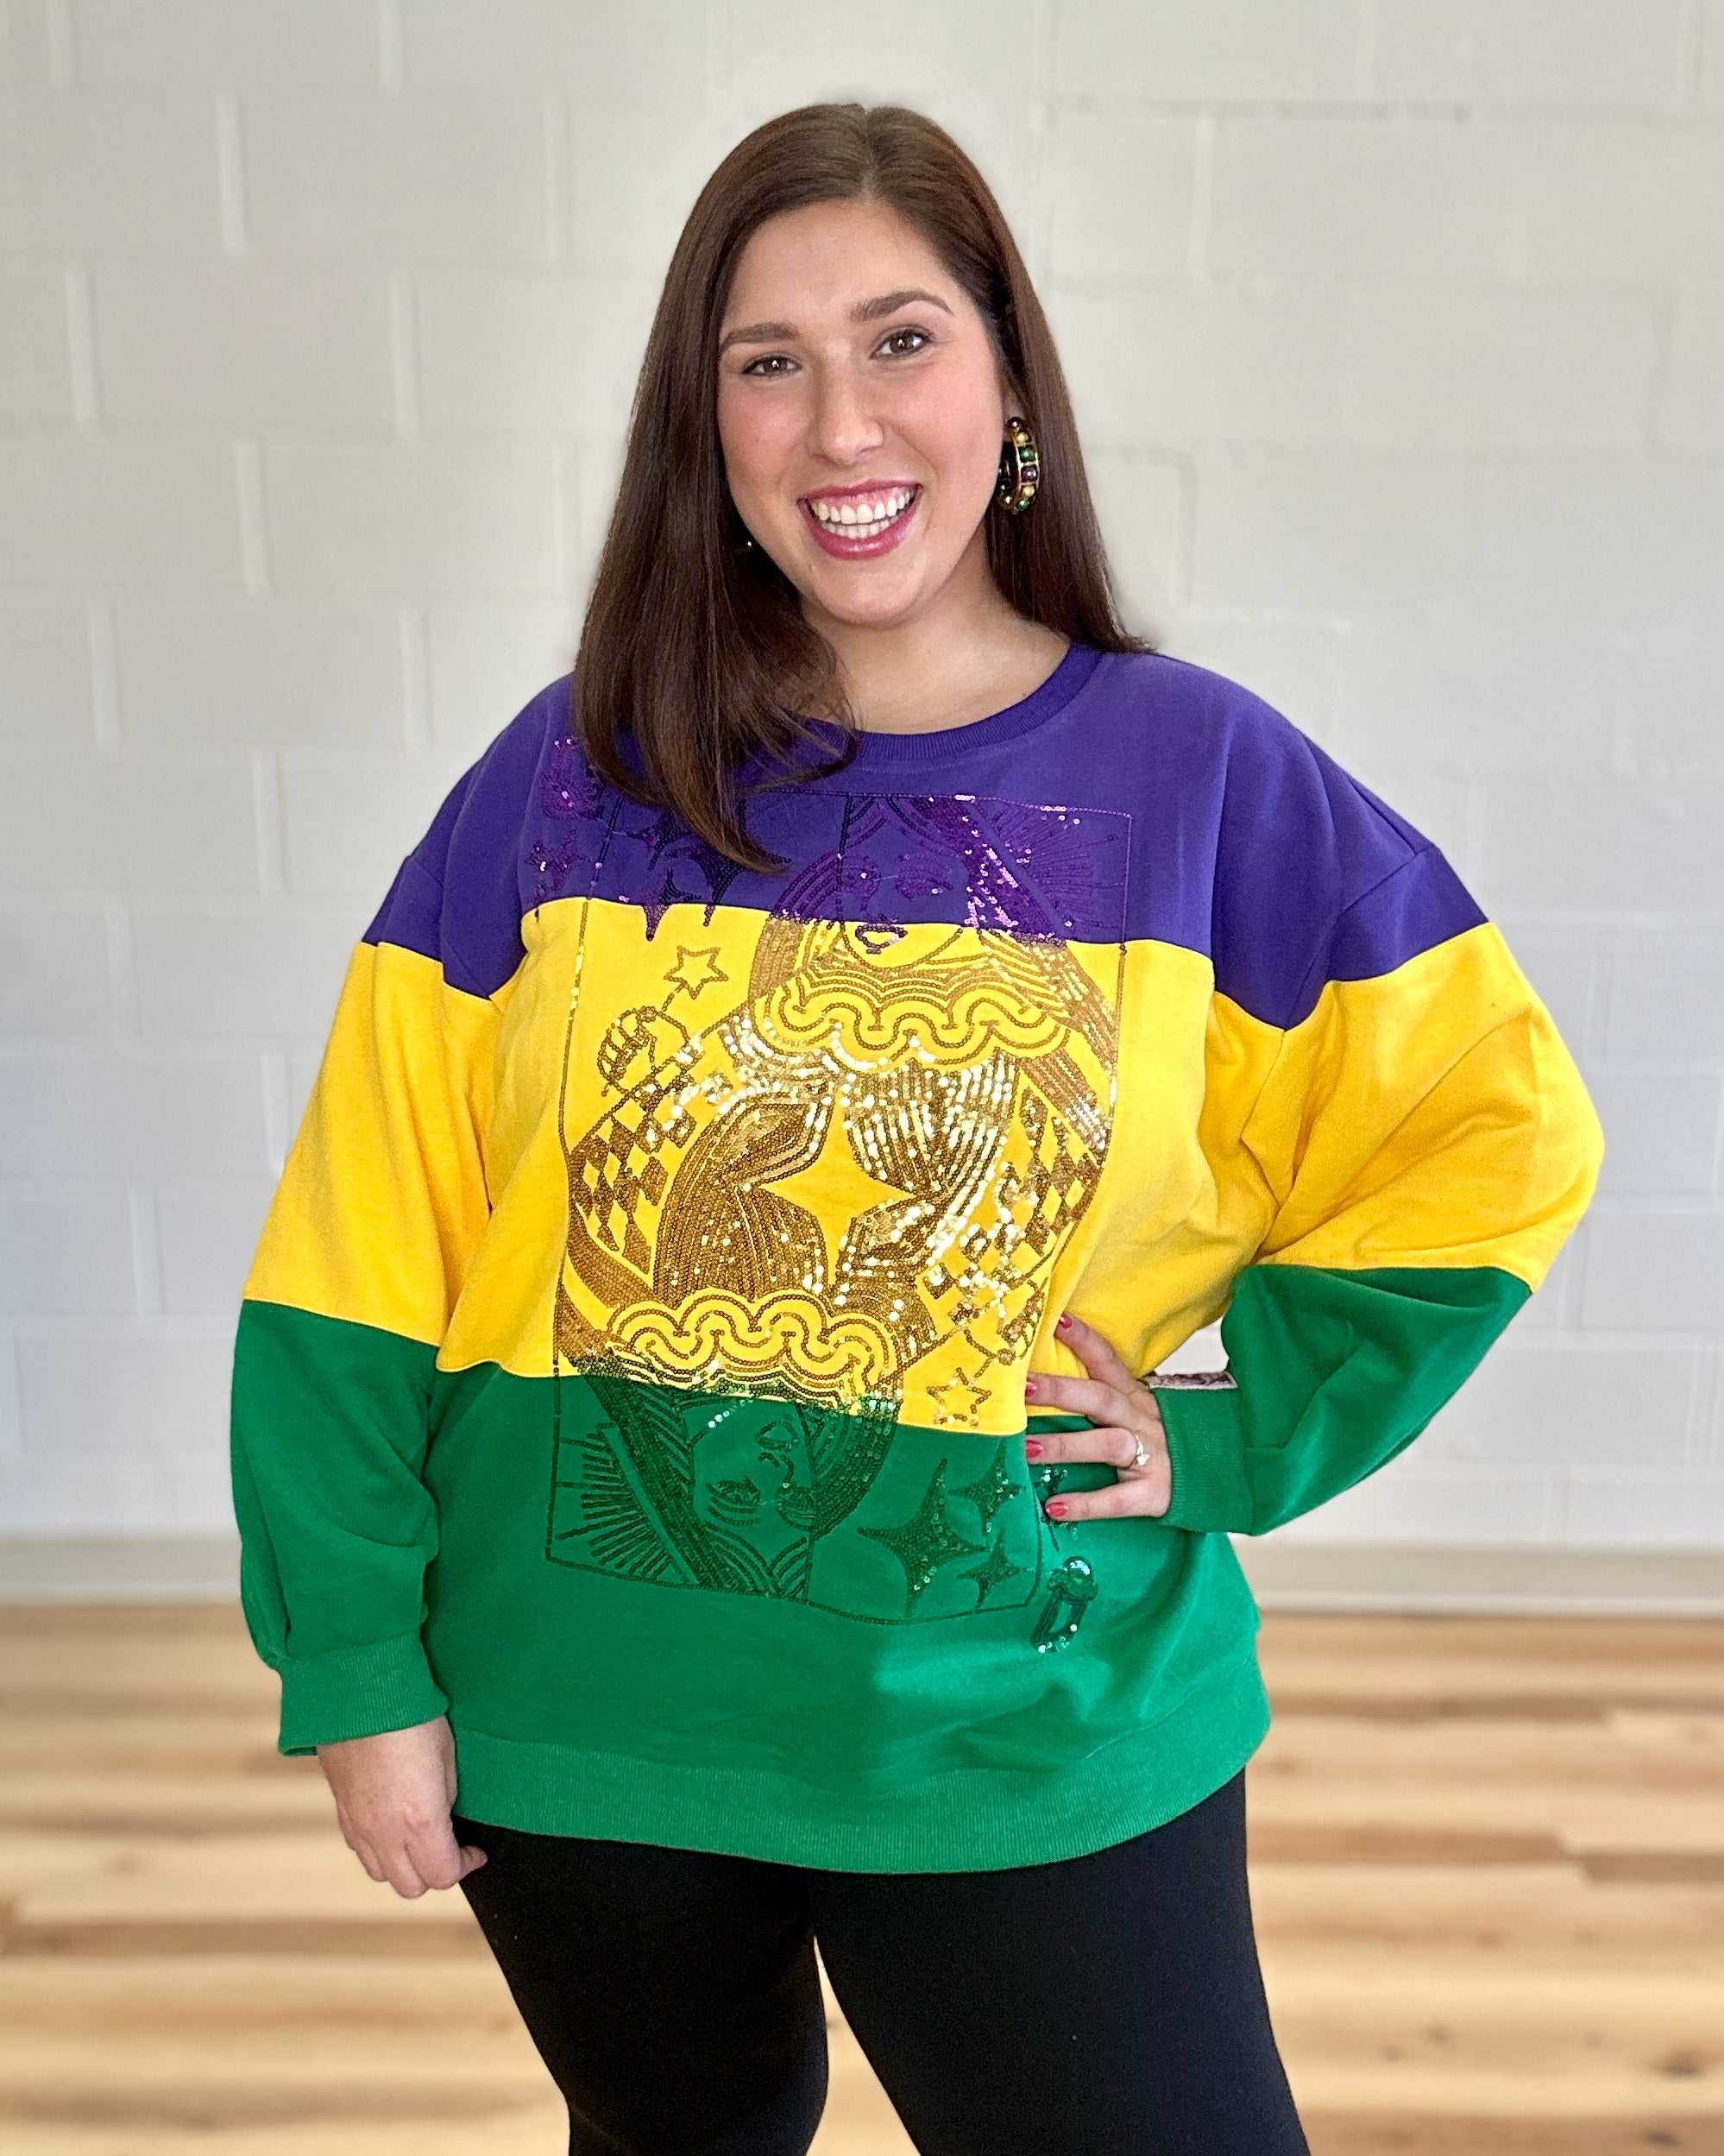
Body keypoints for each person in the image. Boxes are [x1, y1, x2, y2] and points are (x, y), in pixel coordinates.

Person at [230, 102, 1603, 2156]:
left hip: (1025, 1715)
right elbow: (359, 1245)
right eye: (766, 362)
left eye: (900, 340)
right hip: (587, 1715)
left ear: (1009, 387)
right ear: (704, 429)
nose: (840, 424)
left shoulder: (1205, 782)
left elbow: (1492, 1127)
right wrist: (355, 1661)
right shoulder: (574, 775)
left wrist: (1228, 1425)